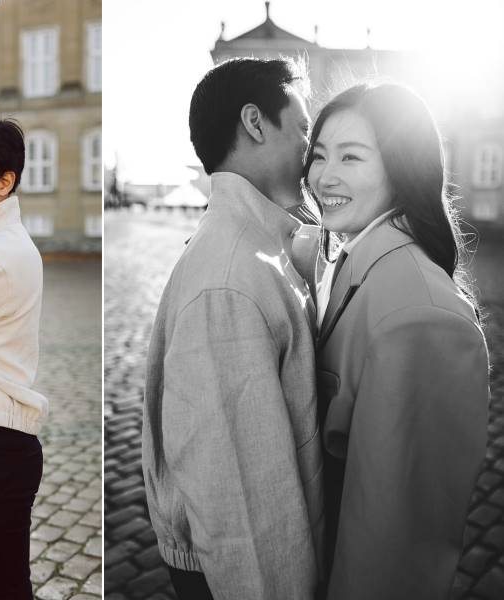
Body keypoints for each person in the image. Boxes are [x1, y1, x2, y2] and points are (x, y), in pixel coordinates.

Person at [142, 57, 324, 600]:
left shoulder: (254, 248)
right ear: (254, 122)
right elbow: (246, 505)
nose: (310, 149)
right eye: (303, 128)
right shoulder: (229, 280)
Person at [303, 82, 490, 600]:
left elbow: (396, 547)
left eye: (351, 156)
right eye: (318, 156)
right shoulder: (357, 256)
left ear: (401, 166)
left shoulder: (421, 319)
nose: (324, 176)